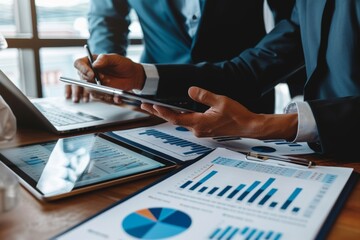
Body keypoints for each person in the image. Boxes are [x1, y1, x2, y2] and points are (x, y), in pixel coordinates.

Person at [74, 0, 360, 159]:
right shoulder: (307, 6)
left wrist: (276, 124)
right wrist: (139, 75)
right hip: (327, 153)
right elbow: (246, 70)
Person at [68, 0, 302, 113]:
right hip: (151, 100)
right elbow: (107, 17)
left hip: (239, 95)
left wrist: (304, 101)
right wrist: (103, 68)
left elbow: (293, 25)